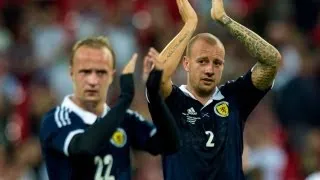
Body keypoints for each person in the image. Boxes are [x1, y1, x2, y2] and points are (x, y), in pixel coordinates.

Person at [144, 0, 282, 179]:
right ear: (186, 63)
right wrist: (190, 25)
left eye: (217, 63)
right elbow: (157, 78)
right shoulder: (173, 102)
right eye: (202, 61)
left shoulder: (234, 99)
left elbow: (271, 61)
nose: (209, 70)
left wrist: (224, 19)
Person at [39, 36, 179, 180]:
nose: (93, 81)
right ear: (71, 73)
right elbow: (83, 149)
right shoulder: (55, 119)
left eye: (101, 72)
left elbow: (170, 144)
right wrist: (124, 99)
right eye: (85, 72)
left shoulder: (125, 119)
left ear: (112, 76)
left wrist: (154, 96)